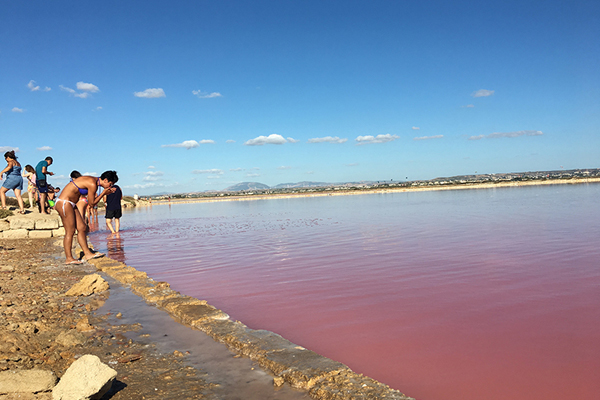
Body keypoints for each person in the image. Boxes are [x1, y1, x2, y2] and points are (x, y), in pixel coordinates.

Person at [55, 170, 118, 265]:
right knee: (70, 231)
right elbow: (92, 203)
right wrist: (103, 194)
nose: (110, 187)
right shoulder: (93, 184)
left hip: (71, 203)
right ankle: (69, 258)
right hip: (64, 202)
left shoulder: (93, 180)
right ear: (105, 180)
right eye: (110, 184)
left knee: (82, 227)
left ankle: (87, 253)